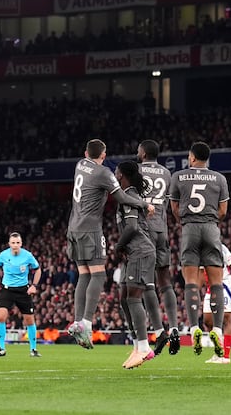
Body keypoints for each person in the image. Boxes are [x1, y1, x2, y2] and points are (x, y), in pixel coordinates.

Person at [66, 139, 154, 349]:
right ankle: (86, 323)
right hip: (90, 229)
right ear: (103, 156)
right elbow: (122, 197)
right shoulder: (103, 173)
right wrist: (144, 204)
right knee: (98, 275)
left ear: (86, 152)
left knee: (84, 274)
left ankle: (78, 320)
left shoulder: (80, 164)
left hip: (72, 228)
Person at [169, 141, 229, 357]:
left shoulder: (178, 176)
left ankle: (194, 328)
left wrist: (184, 222)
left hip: (190, 228)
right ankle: (218, 330)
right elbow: (223, 210)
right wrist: (211, 221)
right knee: (216, 283)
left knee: (191, 282)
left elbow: (174, 208)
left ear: (191, 157)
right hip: (211, 228)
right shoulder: (219, 178)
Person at [137, 139, 181, 355]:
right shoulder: (166, 173)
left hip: (143, 231)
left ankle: (159, 331)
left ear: (143, 153)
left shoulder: (136, 170)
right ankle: (174, 327)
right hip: (162, 230)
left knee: (147, 284)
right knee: (166, 282)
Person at [114, 160, 159, 369]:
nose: (114, 175)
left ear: (122, 175)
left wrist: (118, 246)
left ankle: (144, 346)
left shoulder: (129, 197)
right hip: (134, 253)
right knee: (124, 299)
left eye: (116, 172)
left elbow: (131, 227)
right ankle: (136, 345)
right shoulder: (128, 196)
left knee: (133, 298)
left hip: (140, 251)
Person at [0, 232, 42, 357]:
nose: (15, 245)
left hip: (23, 290)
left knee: (29, 320)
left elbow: (37, 269)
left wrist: (34, 286)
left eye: (17, 243)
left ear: (21, 244)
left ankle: (33, 349)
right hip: (7, 290)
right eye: (13, 243)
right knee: (1, 317)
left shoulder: (28, 256)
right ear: (9, 244)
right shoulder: (3, 255)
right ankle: (1, 348)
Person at [201, 243, 231, 364]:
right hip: (210, 287)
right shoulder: (197, 249)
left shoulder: (220, 247)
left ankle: (226, 356)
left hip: (224, 284)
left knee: (226, 318)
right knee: (207, 321)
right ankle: (218, 352)